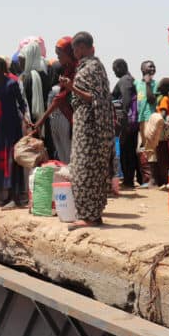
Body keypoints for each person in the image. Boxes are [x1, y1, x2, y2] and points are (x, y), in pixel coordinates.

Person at [64, 32, 114, 229]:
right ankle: (92, 214)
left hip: (90, 128)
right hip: (91, 126)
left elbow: (92, 98)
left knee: (84, 171)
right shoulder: (95, 66)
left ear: (81, 48)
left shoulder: (90, 68)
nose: (75, 53)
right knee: (90, 170)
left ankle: (89, 216)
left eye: (76, 49)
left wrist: (71, 88)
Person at [0, 56, 27, 208]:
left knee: (11, 162)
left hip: (12, 127)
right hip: (1, 128)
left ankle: (14, 197)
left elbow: (21, 104)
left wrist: (27, 122)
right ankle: (3, 195)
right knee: (0, 162)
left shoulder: (11, 84)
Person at [32, 37, 77, 163]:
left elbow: (60, 98)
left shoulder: (77, 71)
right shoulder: (68, 70)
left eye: (60, 55)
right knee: (64, 156)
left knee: (70, 155)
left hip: (71, 118)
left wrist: (42, 119)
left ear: (69, 53)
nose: (58, 58)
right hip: (64, 118)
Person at [111, 59, 142, 188]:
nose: (114, 73)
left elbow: (127, 99)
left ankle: (129, 180)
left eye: (114, 70)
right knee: (129, 149)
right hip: (131, 122)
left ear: (120, 67)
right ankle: (129, 179)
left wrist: (122, 118)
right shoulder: (130, 79)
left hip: (127, 122)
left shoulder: (124, 80)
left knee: (126, 150)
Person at [19, 40, 53, 158]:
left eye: (22, 60)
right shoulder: (43, 74)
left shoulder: (30, 77)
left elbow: (30, 103)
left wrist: (32, 124)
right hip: (45, 121)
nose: (20, 63)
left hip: (35, 122)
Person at [135, 61, 157, 184]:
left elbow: (151, 99)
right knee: (141, 150)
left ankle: (153, 179)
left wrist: (148, 84)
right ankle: (145, 178)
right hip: (140, 120)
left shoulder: (155, 84)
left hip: (150, 118)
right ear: (142, 69)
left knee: (150, 148)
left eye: (153, 66)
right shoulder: (137, 83)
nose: (152, 68)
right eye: (149, 66)